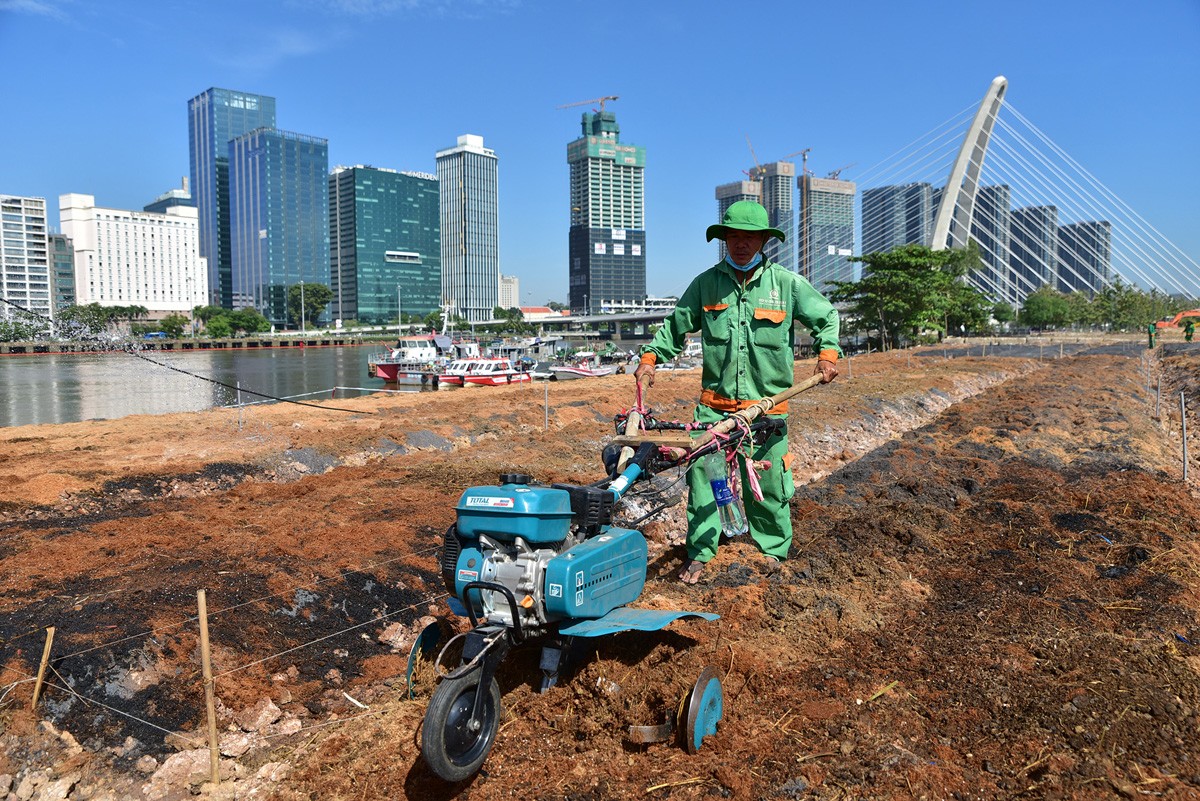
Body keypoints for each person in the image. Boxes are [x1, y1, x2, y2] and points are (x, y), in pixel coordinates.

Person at [633, 200, 841, 583]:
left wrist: (827, 353)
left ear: (763, 240)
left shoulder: (786, 284)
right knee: (705, 486)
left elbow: (826, 316)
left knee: (770, 484)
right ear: (724, 239)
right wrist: (650, 357)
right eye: (733, 236)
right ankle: (700, 553)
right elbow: (675, 327)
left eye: (749, 237)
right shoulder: (706, 284)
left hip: (768, 410)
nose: (740, 244)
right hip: (715, 410)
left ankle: (772, 554)